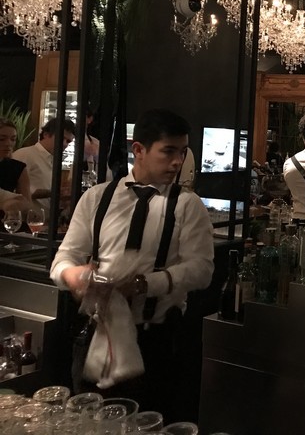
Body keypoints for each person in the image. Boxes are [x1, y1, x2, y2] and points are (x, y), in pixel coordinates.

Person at [50, 109, 214, 421]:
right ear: (138, 149)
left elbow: (202, 270)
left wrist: (143, 284)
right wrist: (75, 276)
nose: (178, 162)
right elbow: (62, 260)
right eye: (168, 151)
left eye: (182, 152)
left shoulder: (187, 205)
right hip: (95, 336)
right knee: (91, 423)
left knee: (150, 423)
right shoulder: (97, 198)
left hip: (157, 342)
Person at [13, 117, 76, 211]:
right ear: (46, 134)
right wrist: (54, 193)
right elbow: (12, 191)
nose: (64, 144)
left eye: (68, 141)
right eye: (61, 138)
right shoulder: (24, 154)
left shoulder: (54, 161)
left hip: (45, 217)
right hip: (26, 217)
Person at [0, 117, 33, 211]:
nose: (8, 143)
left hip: (8, 218)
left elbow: (27, 205)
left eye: (13, 139)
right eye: (1, 139)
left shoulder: (18, 168)